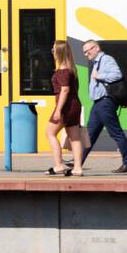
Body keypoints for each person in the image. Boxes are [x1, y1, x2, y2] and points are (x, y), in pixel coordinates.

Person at [81, 39, 127, 173]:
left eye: (88, 51)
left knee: (116, 133)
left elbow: (117, 74)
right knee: (89, 135)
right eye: (84, 52)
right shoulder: (96, 62)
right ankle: (78, 162)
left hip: (106, 102)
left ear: (96, 48)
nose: (86, 54)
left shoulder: (106, 59)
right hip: (98, 103)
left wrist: (99, 76)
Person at [46, 40, 88, 176]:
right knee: (75, 138)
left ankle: (58, 165)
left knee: (50, 133)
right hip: (75, 105)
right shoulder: (72, 68)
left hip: (65, 106)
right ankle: (77, 168)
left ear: (59, 52)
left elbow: (64, 90)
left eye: (53, 50)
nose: (52, 52)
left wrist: (58, 110)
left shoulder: (63, 70)